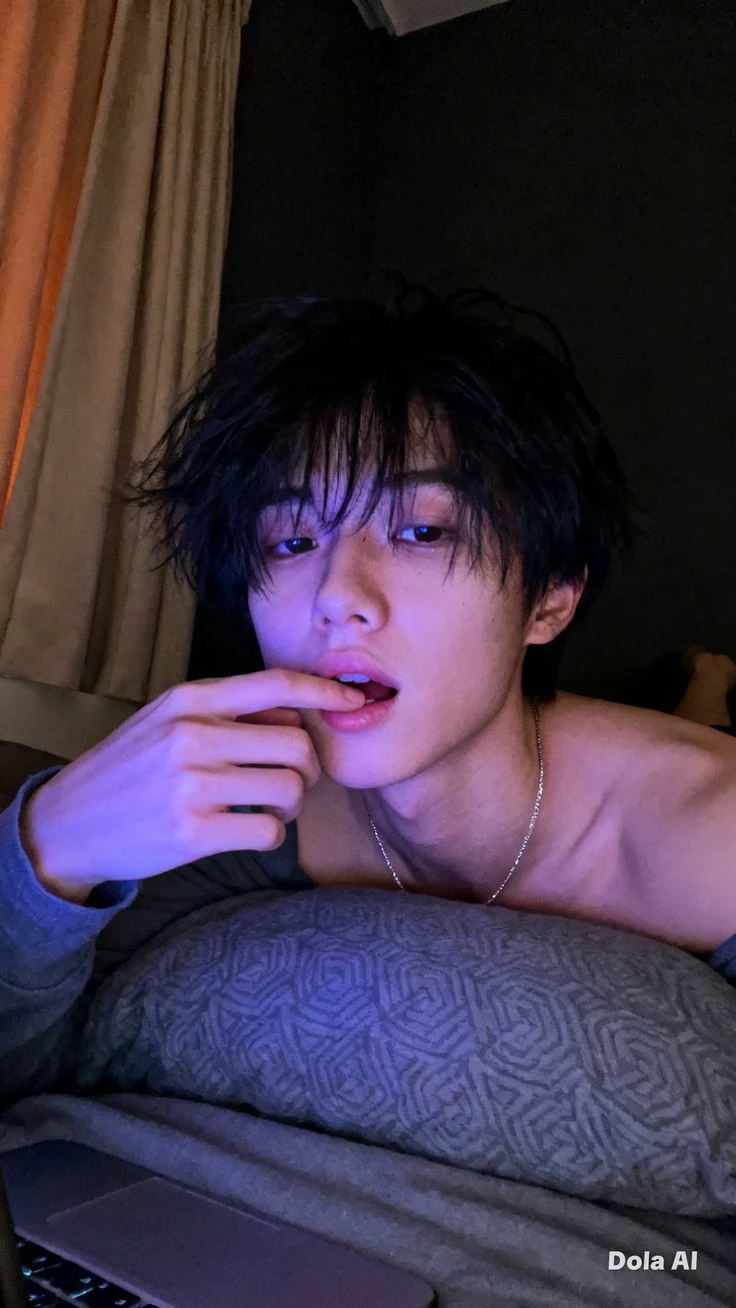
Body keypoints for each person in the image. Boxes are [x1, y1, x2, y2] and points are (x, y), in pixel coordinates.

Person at [1, 279, 735, 1109]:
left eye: (421, 531)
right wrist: (45, 845)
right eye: (292, 539)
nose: (336, 595)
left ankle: (705, 689)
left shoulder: (715, 837)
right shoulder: (243, 802)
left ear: (551, 599)